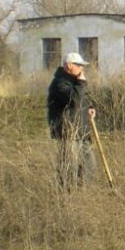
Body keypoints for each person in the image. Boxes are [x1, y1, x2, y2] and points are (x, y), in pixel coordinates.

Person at [47, 51, 96, 188]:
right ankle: (66, 193)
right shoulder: (60, 83)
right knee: (69, 166)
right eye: (79, 65)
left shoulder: (75, 82)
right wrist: (81, 82)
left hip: (81, 132)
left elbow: (83, 98)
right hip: (67, 132)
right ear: (69, 65)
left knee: (89, 164)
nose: (82, 68)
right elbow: (74, 100)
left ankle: (83, 192)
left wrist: (90, 107)